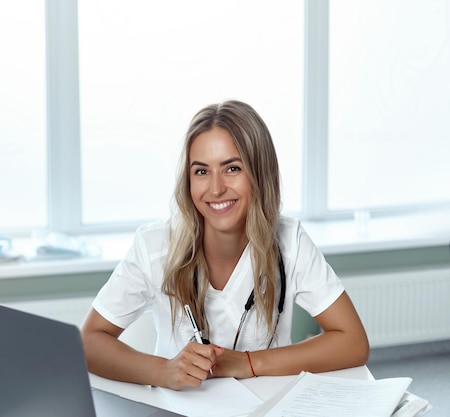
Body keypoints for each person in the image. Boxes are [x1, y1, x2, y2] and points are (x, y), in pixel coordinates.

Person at [81, 100, 369, 391]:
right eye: (202, 172)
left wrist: (248, 362)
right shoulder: (154, 247)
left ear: (259, 173)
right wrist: (164, 371)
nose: (216, 188)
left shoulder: (289, 242)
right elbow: (89, 340)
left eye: (232, 168)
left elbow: (353, 342)